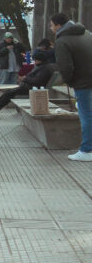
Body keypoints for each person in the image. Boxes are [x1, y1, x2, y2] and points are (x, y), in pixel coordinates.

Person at [51, 13, 92, 161]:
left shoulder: (63, 41)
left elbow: (65, 66)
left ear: (58, 25)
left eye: (51, 25)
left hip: (83, 82)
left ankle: (87, 150)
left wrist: (68, 81)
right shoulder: (86, 33)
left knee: (86, 115)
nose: (51, 29)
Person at [0, 50, 56, 117]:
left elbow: (37, 80)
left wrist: (24, 79)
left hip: (34, 88)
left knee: (9, 93)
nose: (35, 62)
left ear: (40, 60)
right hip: (31, 86)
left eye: (35, 60)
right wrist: (24, 78)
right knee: (9, 92)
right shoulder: (42, 66)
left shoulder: (44, 69)